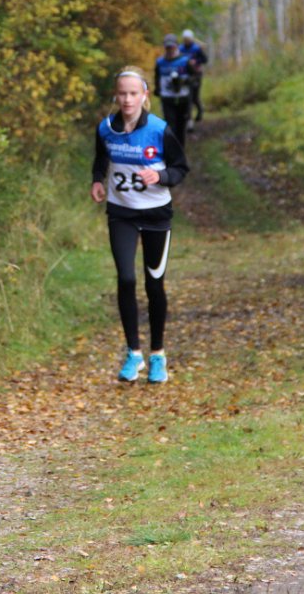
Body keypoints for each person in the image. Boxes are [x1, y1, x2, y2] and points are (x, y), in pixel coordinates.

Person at [90, 66, 189, 384]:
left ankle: (157, 354)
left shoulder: (159, 129)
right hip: (121, 213)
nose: (127, 99)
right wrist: (97, 180)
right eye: (122, 93)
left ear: (144, 95)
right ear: (116, 96)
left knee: (153, 284)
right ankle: (134, 353)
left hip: (156, 214)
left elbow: (181, 168)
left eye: (133, 93)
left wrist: (159, 176)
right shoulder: (106, 128)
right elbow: (100, 158)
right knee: (126, 278)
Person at [154, 34, 193, 148]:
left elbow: (195, 76)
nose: (170, 49)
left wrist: (185, 81)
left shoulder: (185, 61)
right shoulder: (160, 62)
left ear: (177, 46)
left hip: (183, 98)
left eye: (172, 47)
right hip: (167, 98)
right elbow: (157, 77)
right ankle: (172, 150)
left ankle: (180, 149)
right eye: (167, 47)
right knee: (170, 126)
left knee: (181, 126)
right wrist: (157, 89)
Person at [178, 28, 209, 125]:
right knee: (187, 96)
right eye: (185, 39)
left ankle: (200, 110)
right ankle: (188, 118)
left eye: (188, 39)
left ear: (191, 39)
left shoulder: (196, 48)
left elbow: (205, 60)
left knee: (194, 96)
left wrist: (196, 61)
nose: (186, 41)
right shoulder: (180, 48)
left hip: (196, 74)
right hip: (184, 75)